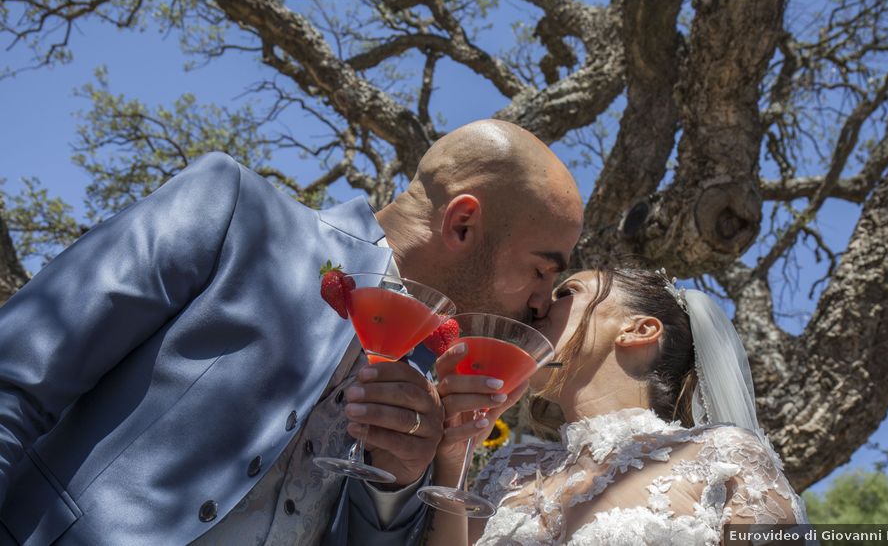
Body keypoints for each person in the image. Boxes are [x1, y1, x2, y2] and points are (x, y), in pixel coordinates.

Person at [0, 119, 583, 545]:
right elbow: (16, 375)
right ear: (462, 224)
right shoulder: (233, 210)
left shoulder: (436, 383)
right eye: (541, 269)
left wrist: (396, 485)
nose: (539, 302)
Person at [427, 267, 810, 545]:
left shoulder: (722, 454)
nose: (539, 303)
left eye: (567, 293)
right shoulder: (507, 469)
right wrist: (453, 459)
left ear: (639, 329)